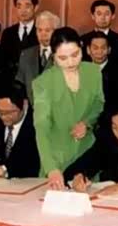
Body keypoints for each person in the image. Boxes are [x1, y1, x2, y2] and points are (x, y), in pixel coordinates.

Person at [33, 27, 104, 189]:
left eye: (75, 55)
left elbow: (98, 104)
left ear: (82, 47)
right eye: (63, 58)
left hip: (86, 155)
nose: (71, 62)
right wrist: (51, 168)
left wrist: (87, 123)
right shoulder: (43, 83)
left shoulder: (93, 72)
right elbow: (41, 128)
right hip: (57, 158)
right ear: (53, 56)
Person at [16, 10, 59, 104]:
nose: (43, 34)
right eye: (39, 30)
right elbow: (20, 83)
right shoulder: (26, 54)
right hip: (32, 108)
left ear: (56, 32)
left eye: (47, 30)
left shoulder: (62, 54)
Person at [0, 0, 40, 69]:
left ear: (35, 8)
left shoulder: (41, 31)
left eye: (27, 6)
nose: (23, 10)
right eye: (19, 7)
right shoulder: (8, 33)